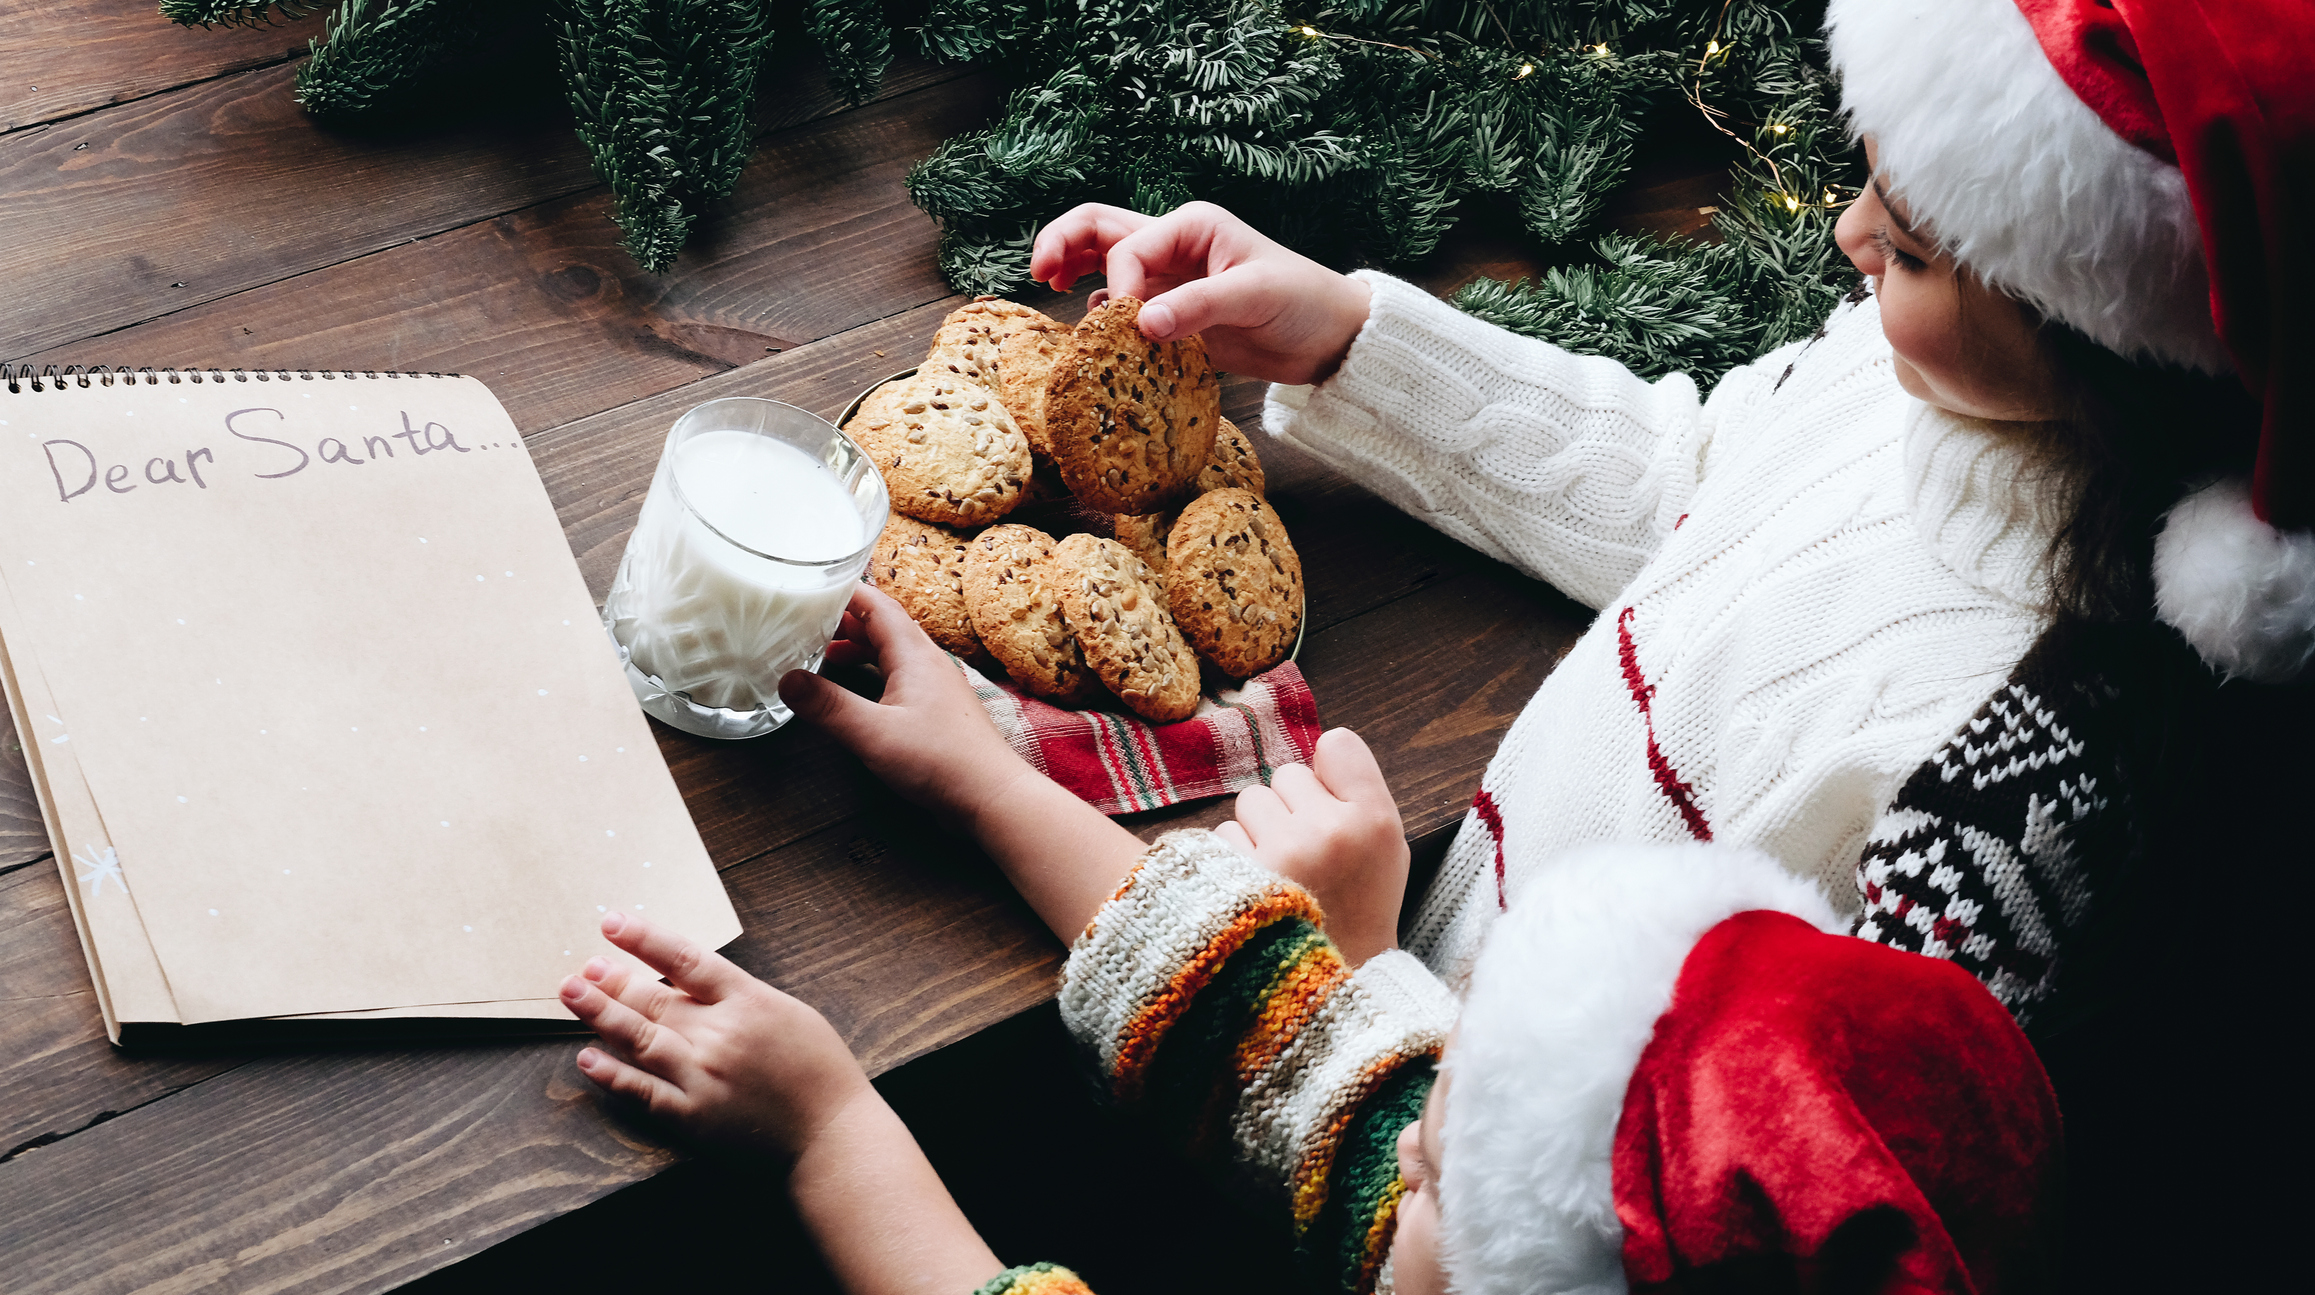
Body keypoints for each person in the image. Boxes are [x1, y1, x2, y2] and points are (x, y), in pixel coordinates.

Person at [1027, 0, 2312, 1030]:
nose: (1849, 236)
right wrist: (1351, 341)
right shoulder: (1901, 376)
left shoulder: (2002, 804)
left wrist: (1358, 986)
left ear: (2108, 341)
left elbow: (1663, 1217)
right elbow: (1695, 482)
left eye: (1913, 247)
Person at [561, 583, 2062, 1293]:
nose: (1398, 1135)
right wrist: (979, 782)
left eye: (1425, 1169)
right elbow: (1298, 1039)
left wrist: (830, 1132)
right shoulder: (1525, 1229)